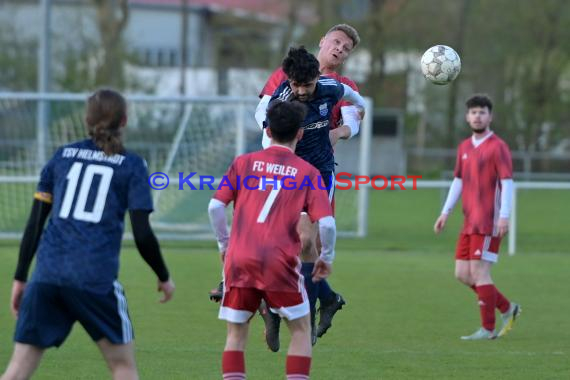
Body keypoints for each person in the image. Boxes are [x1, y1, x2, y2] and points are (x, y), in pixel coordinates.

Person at [1, 89, 175, 380]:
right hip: (94, 280)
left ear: (86, 120)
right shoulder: (132, 165)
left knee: (17, 370)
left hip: (47, 276)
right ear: (124, 121)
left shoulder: (62, 156)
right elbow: (142, 235)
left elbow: (34, 224)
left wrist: (21, 278)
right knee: (123, 367)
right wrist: (163, 276)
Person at [210, 26, 363, 350]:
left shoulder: (341, 86)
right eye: (336, 42)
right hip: (277, 166)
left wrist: (339, 132)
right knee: (261, 229)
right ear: (322, 40)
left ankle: (296, 310)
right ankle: (271, 295)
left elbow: (355, 117)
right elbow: (261, 112)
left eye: (346, 48)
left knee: (308, 243)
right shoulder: (285, 74)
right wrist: (278, 146)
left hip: (316, 173)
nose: (339, 49)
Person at [208, 100, 337, 380]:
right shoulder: (308, 172)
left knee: (236, 334)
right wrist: (326, 257)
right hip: (280, 261)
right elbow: (326, 223)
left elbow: (215, 207)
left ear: (267, 131)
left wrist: (224, 244)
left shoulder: (243, 163)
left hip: (240, 258)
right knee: (301, 330)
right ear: (300, 134)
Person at [434, 94, 521, 340]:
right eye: (473, 112)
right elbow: (458, 181)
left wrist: (504, 216)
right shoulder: (464, 147)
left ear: (490, 117)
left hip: (488, 221)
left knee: (480, 273)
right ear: (467, 117)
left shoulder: (498, 147)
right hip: (468, 221)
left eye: (482, 112)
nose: (477, 116)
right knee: (462, 274)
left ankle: (488, 329)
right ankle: (507, 307)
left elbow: (507, 182)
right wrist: (445, 212)